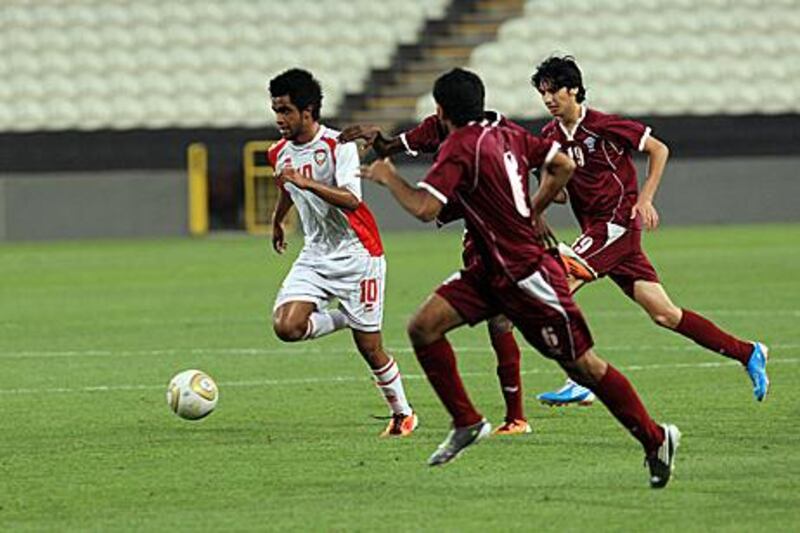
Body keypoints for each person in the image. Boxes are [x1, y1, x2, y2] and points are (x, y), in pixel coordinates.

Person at [361, 68, 680, 488]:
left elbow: (425, 208)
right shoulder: (504, 129)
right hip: (488, 272)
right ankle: (467, 421)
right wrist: (533, 210)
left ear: (440, 111)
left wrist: (389, 178)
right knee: (424, 326)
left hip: (527, 274)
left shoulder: (459, 147)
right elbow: (561, 164)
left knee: (583, 366)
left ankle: (657, 438)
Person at [528, 56, 769, 406]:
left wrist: (645, 199)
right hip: (600, 233)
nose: (548, 100)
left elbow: (659, 148)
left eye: (553, 91)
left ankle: (580, 377)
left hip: (617, 224)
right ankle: (748, 352)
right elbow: (561, 193)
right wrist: (546, 185)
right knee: (664, 313)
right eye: (543, 93)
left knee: (558, 284)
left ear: (574, 89)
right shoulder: (550, 136)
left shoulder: (604, 125)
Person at [342, 112, 541, 436]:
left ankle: (514, 416)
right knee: (480, 322)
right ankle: (507, 416)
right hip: (477, 232)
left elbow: (546, 158)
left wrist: (537, 205)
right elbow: (391, 147)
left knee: (502, 322)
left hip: (505, 236)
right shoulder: (435, 127)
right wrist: (377, 139)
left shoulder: (501, 131)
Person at [267, 68, 418, 437]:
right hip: (316, 253)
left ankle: (403, 414)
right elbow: (288, 186)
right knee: (286, 327)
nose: (279, 119)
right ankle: (345, 316)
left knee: (371, 348)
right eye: (275, 110)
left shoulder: (339, 146)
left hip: (358, 253)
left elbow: (351, 200)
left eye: (286, 110)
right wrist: (278, 220)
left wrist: (308, 182)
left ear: (308, 111)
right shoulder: (277, 152)